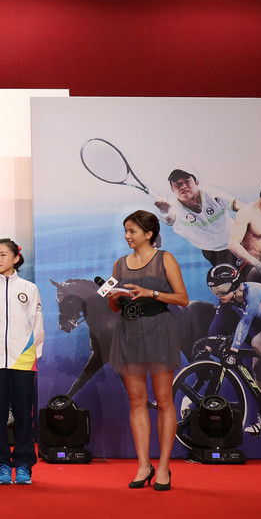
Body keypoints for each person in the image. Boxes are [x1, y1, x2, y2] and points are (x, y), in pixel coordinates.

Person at [107, 210, 188, 491]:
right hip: (129, 332)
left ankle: (164, 466)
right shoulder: (119, 264)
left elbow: (183, 299)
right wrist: (115, 298)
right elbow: (116, 307)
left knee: (165, 400)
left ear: (149, 234)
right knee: (136, 401)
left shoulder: (165, 259)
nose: (128, 236)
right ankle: (144, 465)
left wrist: (150, 293)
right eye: (126, 231)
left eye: (132, 231)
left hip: (158, 329)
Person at [0, 238, 44, 485]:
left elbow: (37, 325)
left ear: (16, 258)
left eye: (3, 255)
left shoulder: (29, 288)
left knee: (25, 415)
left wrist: (32, 354)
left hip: (24, 359)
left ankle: (24, 463)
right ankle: (1, 464)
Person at [205, 264, 261, 435]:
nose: (219, 294)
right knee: (257, 368)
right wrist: (208, 346)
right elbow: (218, 321)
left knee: (258, 344)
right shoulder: (228, 297)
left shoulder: (252, 292)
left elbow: (245, 322)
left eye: (222, 288)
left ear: (236, 284)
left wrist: (234, 349)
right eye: (214, 289)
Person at [154, 169, 241, 266]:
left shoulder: (212, 194)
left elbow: (242, 208)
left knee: (254, 274)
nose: (183, 186)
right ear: (172, 189)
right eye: (178, 184)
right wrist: (164, 211)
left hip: (238, 241)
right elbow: (169, 220)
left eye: (187, 181)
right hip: (212, 251)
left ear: (197, 182)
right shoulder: (172, 206)